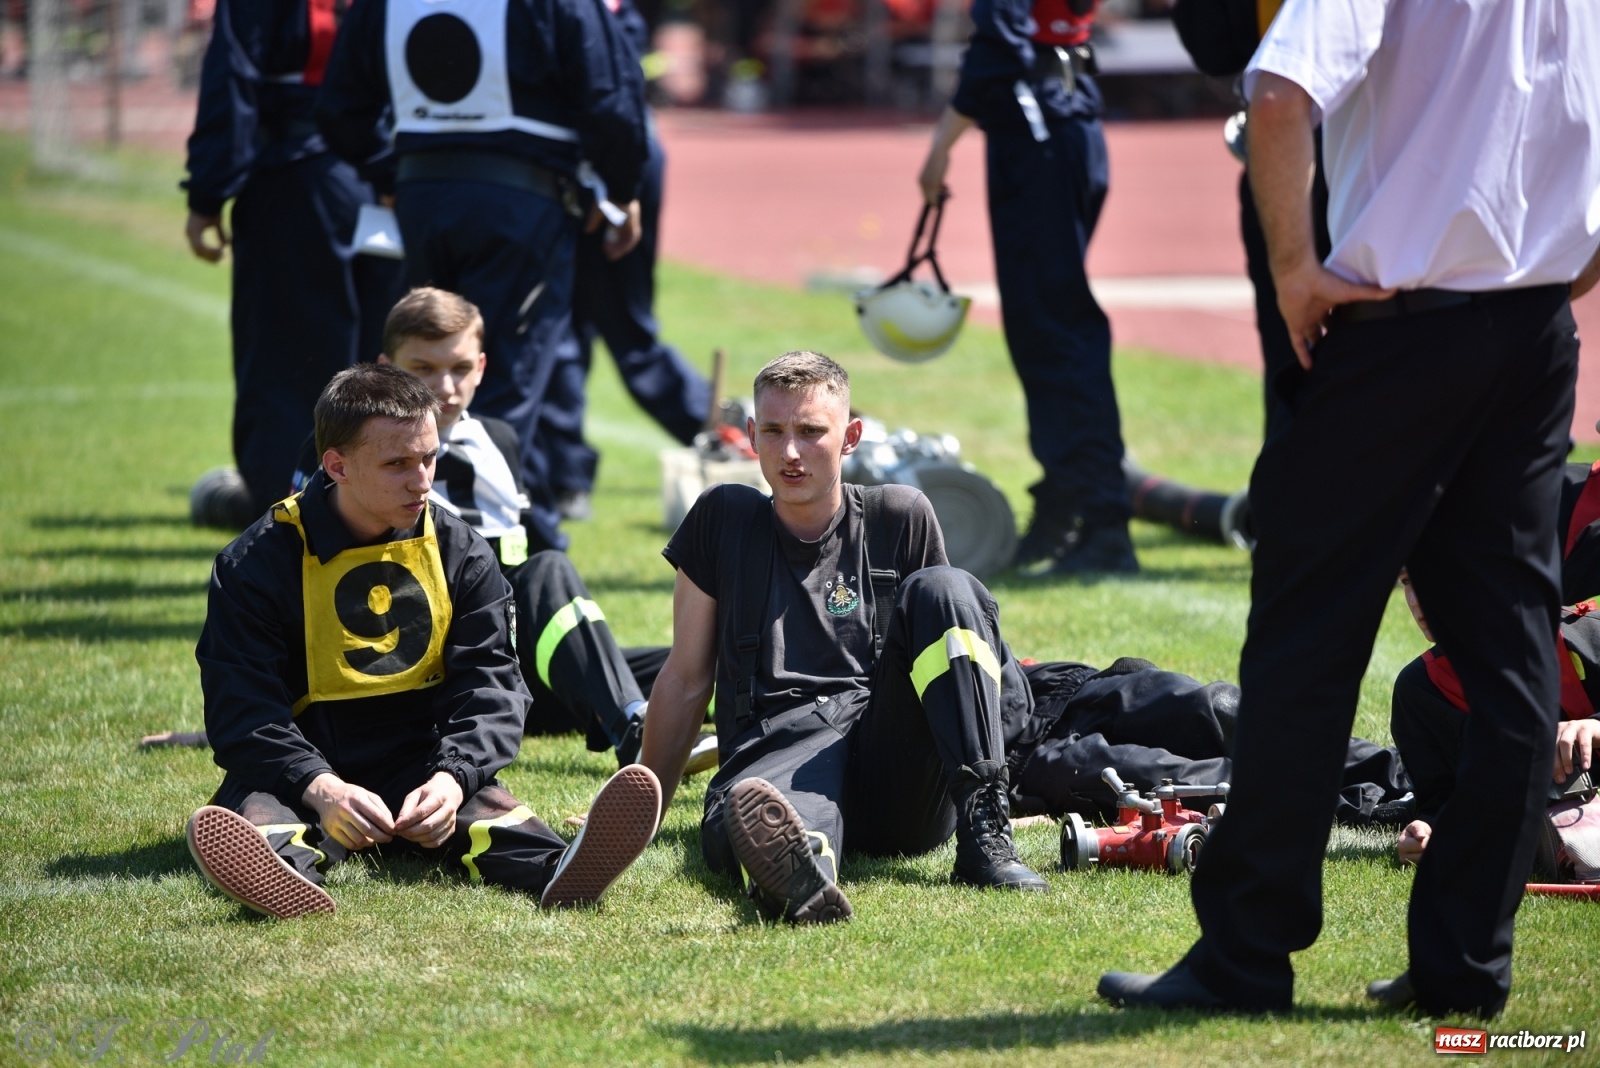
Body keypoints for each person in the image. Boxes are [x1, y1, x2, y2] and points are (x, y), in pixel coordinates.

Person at [1098, 0, 1600, 1017]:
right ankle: (1465, 969)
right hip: (1534, 327)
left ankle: (1246, 953)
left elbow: (1278, 92)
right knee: (1511, 650)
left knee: (1304, 640)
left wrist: (1293, 270)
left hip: (1397, 326)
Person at [187, 363, 662, 919]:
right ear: (336, 466)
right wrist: (319, 785)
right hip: (300, 763)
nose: (422, 481)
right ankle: (282, 870)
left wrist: (452, 779)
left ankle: (561, 868)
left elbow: (492, 686)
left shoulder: (462, 552)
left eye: (429, 458)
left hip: (421, 763)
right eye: (397, 464)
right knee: (266, 813)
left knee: (495, 818)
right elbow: (242, 706)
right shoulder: (256, 562)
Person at [639, 350, 1048, 926]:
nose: (791, 452)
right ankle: (801, 867)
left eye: (811, 432)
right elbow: (685, 679)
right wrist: (644, 808)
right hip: (774, 751)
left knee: (947, 588)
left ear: (850, 436)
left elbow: (959, 663)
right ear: (750, 436)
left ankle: (987, 836)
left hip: (892, 770)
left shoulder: (899, 516)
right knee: (760, 808)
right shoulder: (723, 518)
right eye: (774, 432)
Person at [289, 287, 716, 774]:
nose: (444, 387)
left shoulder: (501, 441)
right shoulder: (344, 449)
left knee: (700, 661)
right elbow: (306, 559)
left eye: (460, 368)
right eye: (423, 368)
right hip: (429, 663)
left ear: (482, 367)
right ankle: (634, 728)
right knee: (548, 569)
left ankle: (767, 714)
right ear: (387, 368)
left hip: (514, 658)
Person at [315, 0, 650, 553]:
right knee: (499, 388)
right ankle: (489, 556)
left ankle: (416, 536)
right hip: (522, 203)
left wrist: (391, 174)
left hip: (423, 198)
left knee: (428, 377)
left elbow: (339, 106)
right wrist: (620, 188)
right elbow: (609, 94)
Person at [916, 0, 1137, 576]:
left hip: (1038, 130)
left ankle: (1100, 520)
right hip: (1068, 115)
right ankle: (1068, 503)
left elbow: (1000, 47)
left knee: (1054, 330)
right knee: (1052, 327)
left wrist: (941, 144)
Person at [182, 0, 402, 525]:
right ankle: (374, 512)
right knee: (379, 360)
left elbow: (235, 68)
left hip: (296, 172)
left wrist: (208, 191)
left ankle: (285, 518)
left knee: (290, 364)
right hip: (386, 172)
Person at [535, 0, 712, 522]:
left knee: (605, 329)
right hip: (609, 155)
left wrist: (617, 188)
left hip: (603, 160)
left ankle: (729, 434)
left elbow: (603, 87)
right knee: (585, 328)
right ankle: (567, 475)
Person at [1390, 459, 1600, 864]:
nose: (1416, 600)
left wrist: (1595, 726)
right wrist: (1428, 830)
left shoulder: (1585, 636)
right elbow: (1442, 798)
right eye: (1407, 582)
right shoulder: (1422, 690)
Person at [1008, 657, 1411, 828]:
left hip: (1060, 688)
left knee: (1221, 709)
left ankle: (1405, 771)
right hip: (1023, 760)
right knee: (1179, 780)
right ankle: (1368, 807)